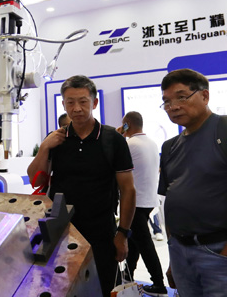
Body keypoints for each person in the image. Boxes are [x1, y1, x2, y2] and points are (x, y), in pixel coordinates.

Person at [28, 75, 135, 297]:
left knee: (103, 286)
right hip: (61, 231)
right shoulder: (56, 139)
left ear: (94, 103)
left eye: (83, 101)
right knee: (62, 288)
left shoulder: (112, 139)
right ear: (63, 104)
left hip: (101, 231)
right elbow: (36, 180)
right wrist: (45, 147)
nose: (76, 108)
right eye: (70, 102)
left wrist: (123, 233)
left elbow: (128, 190)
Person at [158, 68, 227, 297]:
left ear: (204, 96)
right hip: (180, 253)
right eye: (167, 101)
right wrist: (172, 256)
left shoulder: (223, 129)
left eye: (181, 97)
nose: (173, 106)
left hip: (218, 251)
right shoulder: (170, 147)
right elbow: (171, 200)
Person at [118, 111, 167, 297]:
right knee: (135, 240)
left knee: (144, 244)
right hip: (148, 200)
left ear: (127, 124)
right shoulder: (151, 143)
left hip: (135, 202)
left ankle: (158, 284)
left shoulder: (129, 144)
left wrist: (119, 137)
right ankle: (128, 274)